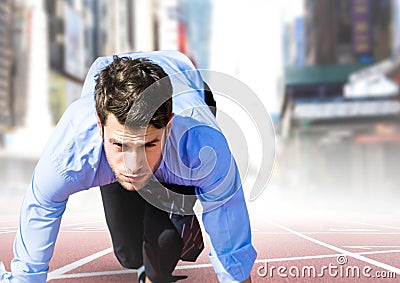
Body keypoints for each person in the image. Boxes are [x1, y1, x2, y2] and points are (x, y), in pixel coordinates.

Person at [0, 51, 256, 283]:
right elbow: (42, 207)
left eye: (148, 145)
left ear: (168, 128)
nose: (133, 166)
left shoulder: (203, 147)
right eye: (121, 145)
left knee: (165, 241)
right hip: (111, 101)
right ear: (100, 128)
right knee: (129, 255)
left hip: (187, 84)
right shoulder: (71, 153)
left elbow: (229, 227)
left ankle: (176, 210)